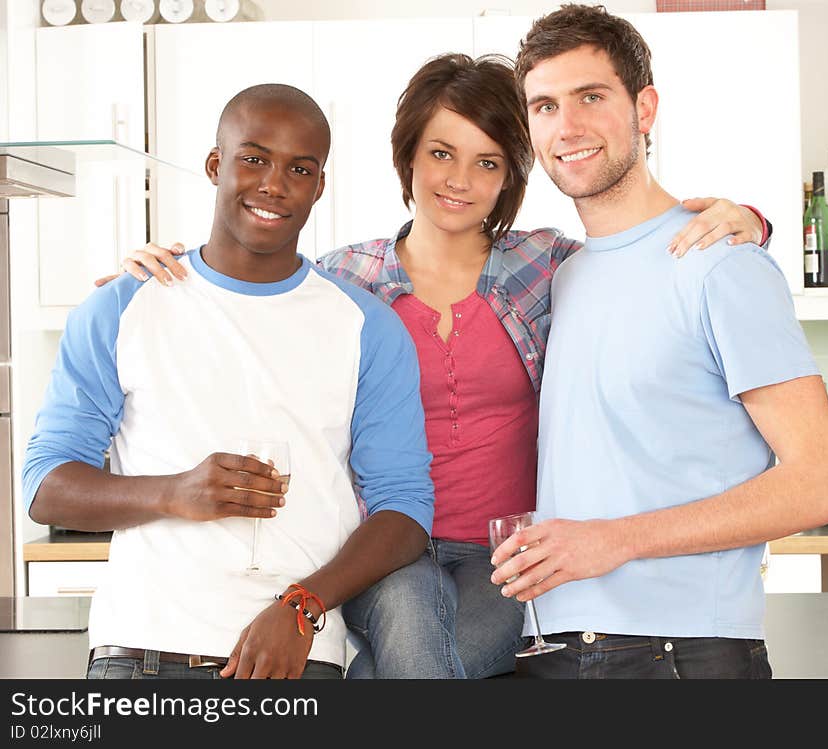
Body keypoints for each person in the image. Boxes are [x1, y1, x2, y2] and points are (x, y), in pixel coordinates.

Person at [103, 55, 767, 679]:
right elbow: (242, 292)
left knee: (432, 659)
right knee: (414, 630)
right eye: (441, 154)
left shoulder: (550, 266)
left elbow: (644, 251)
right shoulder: (344, 279)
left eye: (487, 162)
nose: (459, 180)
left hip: (507, 553)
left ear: (510, 175)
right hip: (385, 545)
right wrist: (158, 277)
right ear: (409, 157)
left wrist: (752, 221)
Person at [489, 4, 828, 679]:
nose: (566, 127)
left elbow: (825, 482)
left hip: (674, 654)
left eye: (590, 97)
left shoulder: (721, 262)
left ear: (644, 108)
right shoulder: (563, 275)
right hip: (557, 646)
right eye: (544, 106)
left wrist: (616, 541)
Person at [22, 83, 435, 680]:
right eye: (254, 158)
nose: (274, 183)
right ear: (216, 165)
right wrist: (172, 492)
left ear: (319, 187)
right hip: (141, 657)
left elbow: (405, 510)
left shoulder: (366, 326)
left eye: (299, 168)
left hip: (295, 663)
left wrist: (303, 606)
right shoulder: (122, 307)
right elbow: (45, 486)